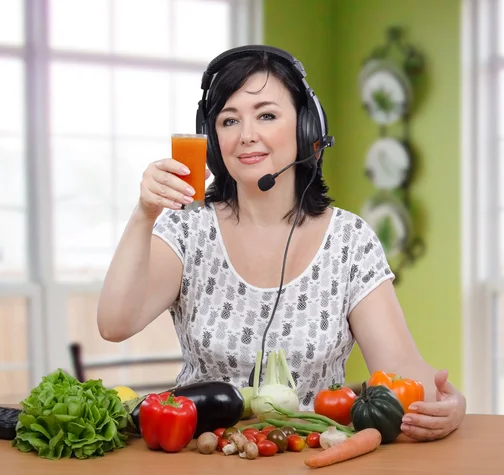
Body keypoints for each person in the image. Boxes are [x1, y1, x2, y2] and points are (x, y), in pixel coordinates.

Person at [97, 45, 466, 442]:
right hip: (201, 453)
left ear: (306, 127)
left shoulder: (349, 240)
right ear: (212, 137)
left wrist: (449, 402)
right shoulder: (187, 227)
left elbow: (402, 372)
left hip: (311, 454)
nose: (246, 136)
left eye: (267, 115)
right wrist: (144, 214)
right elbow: (115, 324)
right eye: (229, 120)